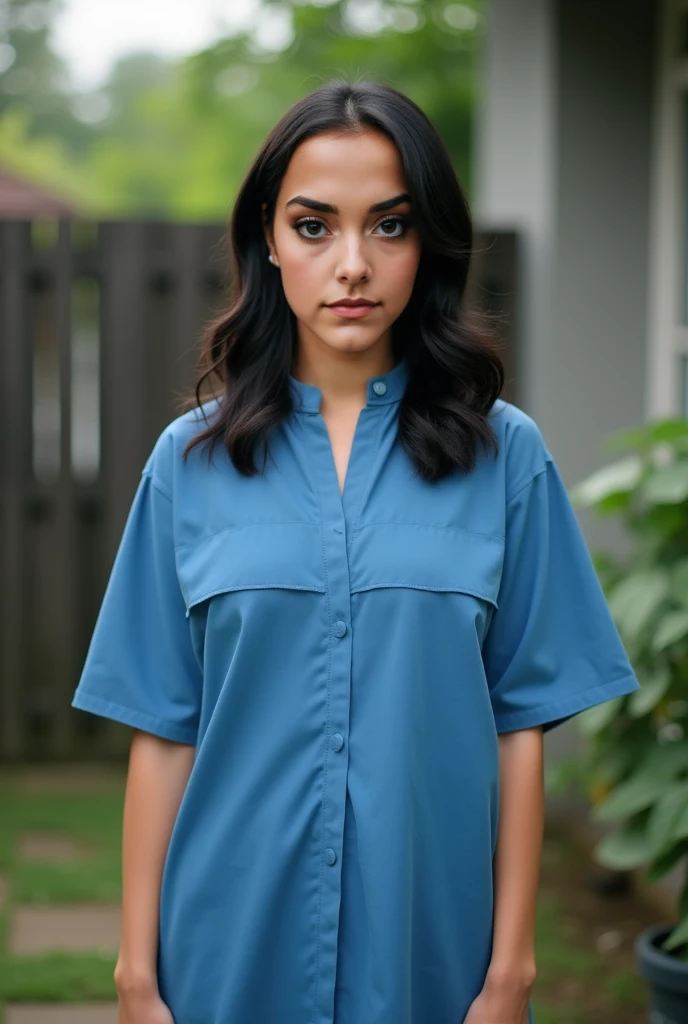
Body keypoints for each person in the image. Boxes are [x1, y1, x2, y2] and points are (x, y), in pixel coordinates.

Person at [71, 79, 640, 1024]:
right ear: (268, 237)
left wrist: (510, 971)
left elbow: (522, 727)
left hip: (432, 955)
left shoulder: (508, 458)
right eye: (313, 225)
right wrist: (138, 974)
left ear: (429, 243)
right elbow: (163, 729)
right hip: (224, 953)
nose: (351, 266)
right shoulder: (189, 464)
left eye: (388, 226)